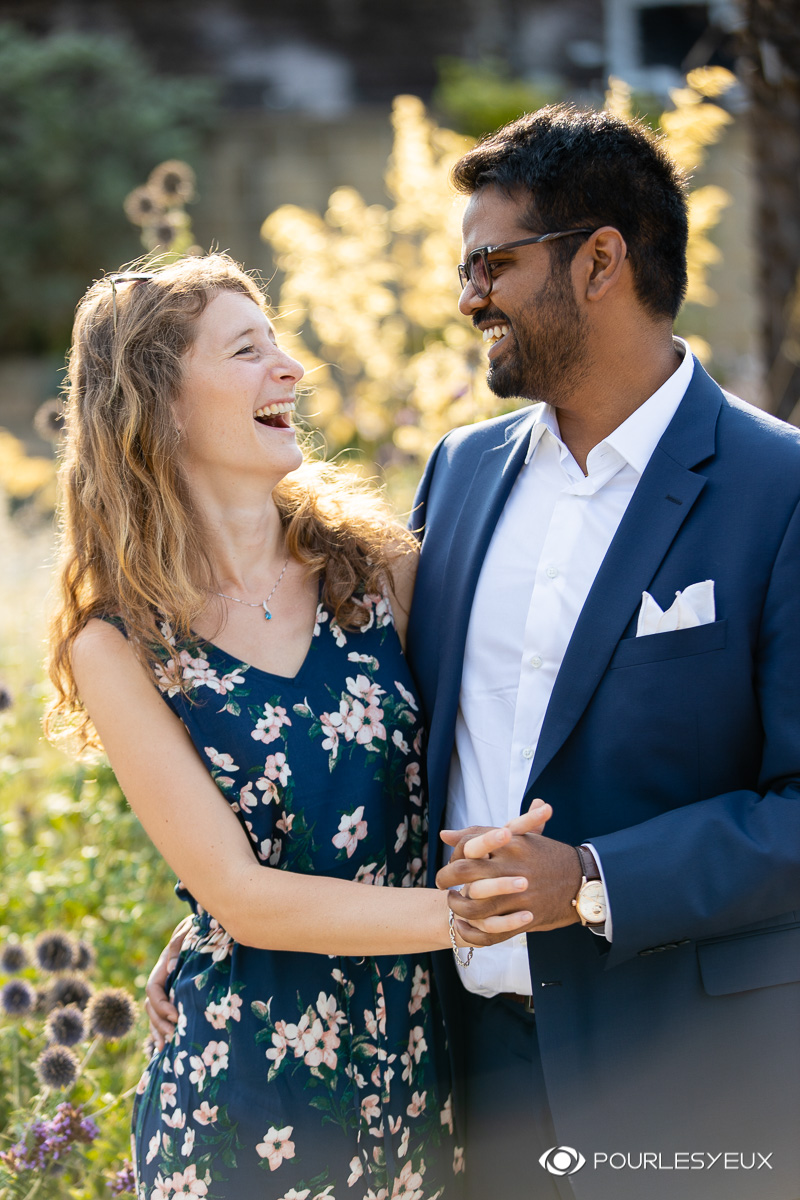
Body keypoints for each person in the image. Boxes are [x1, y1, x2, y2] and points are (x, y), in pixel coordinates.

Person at [46, 254, 539, 1200]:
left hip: (421, 1078)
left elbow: (499, 735)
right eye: (247, 349)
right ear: (160, 405)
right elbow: (244, 897)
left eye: (278, 342)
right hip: (241, 1102)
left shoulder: (380, 571)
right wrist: (498, 919)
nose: (292, 369)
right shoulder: (117, 642)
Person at [407, 106, 800, 1200]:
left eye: (490, 261)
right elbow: (406, 742)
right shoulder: (459, 473)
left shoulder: (779, 491)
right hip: (474, 1068)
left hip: (692, 1077)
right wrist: (232, 921)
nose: (465, 295)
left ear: (596, 261)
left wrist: (587, 881)